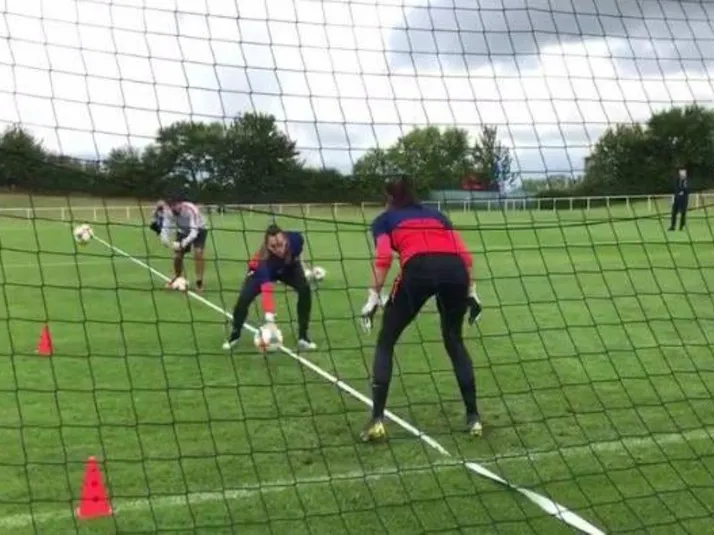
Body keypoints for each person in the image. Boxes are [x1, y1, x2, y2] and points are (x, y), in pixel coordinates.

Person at [359, 176, 483, 442]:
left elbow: (384, 257)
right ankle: (474, 418)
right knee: (454, 340)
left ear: (389, 198)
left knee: (386, 341)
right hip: (455, 271)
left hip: (419, 269)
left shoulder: (384, 220)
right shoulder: (438, 216)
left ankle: (377, 420)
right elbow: (465, 255)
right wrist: (471, 291)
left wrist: (372, 296)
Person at [223, 224, 317, 352]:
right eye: (273, 246)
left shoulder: (296, 239)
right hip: (262, 273)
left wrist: (302, 267)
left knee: (305, 289)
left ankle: (303, 337)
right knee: (243, 300)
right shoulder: (263, 261)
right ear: (267, 246)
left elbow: (299, 250)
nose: (278, 249)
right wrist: (270, 318)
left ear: (285, 239)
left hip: (289, 269)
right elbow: (267, 290)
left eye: (281, 244)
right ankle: (235, 335)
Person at [155, 194, 209, 293]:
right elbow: (166, 228)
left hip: (199, 229)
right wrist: (165, 241)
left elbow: (194, 232)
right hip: (183, 230)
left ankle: (199, 281)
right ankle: (177, 277)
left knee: (198, 252)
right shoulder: (168, 211)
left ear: (180, 204)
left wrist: (183, 243)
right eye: (170, 205)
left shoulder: (191, 209)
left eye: (175, 204)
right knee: (177, 256)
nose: (173, 207)